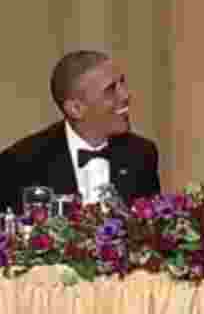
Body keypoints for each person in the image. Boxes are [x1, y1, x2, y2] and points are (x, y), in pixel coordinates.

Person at [0, 50, 161, 213]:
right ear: (75, 109)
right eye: (111, 89)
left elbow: (151, 231)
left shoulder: (141, 154)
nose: (126, 95)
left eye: (123, 83)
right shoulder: (21, 164)